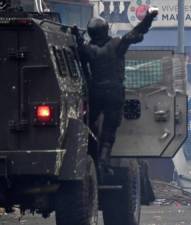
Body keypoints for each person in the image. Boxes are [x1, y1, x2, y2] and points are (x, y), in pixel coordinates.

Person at [71, 8, 159, 172]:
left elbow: (79, 53)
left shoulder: (88, 50)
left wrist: (76, 36)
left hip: (96, 92)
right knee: (109, 129)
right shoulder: (117, 44)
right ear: (106, 30)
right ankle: (103, 161)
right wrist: (150, 16)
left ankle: (90, 157)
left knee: (88, 125)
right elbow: (138, 30)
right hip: (114, 92)